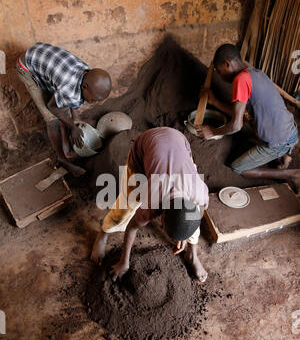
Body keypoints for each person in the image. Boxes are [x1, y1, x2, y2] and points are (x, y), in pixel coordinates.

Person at [91, 127, 209, 283]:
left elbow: (193, 217)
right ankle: (104, 233)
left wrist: (184, 234)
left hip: (179, 141)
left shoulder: (200, 194)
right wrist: (123, 262)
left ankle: (192, 254)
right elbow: (133, 226)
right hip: (145, 146)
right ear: (162, 215)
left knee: (190, 221)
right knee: (125, 207)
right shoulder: (153, 199)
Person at [198, 44, 300, 195]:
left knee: (239, 168)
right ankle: (285, 156)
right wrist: (215, 102)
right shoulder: (254, 73)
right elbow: (239, 113)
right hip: (290, 130)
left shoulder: (241, 80)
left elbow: (236, 125)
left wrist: (213, 131)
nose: (219, 76)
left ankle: (292, 175)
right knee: (249, 123)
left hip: (278, 140)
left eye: (219, 71)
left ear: (227, 64)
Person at [17, 42, 112, 176]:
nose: (94, 102)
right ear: (84, 87)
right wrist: (73, 127)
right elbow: (52, 106)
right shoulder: (69, 88)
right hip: (27, 68)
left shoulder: (87, 72)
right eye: (94, 99)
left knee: (63, 105)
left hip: (41, 58)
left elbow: (72, 97)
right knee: (52, 120)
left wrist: (76, 118)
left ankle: (66, 139)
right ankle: (62, 159)